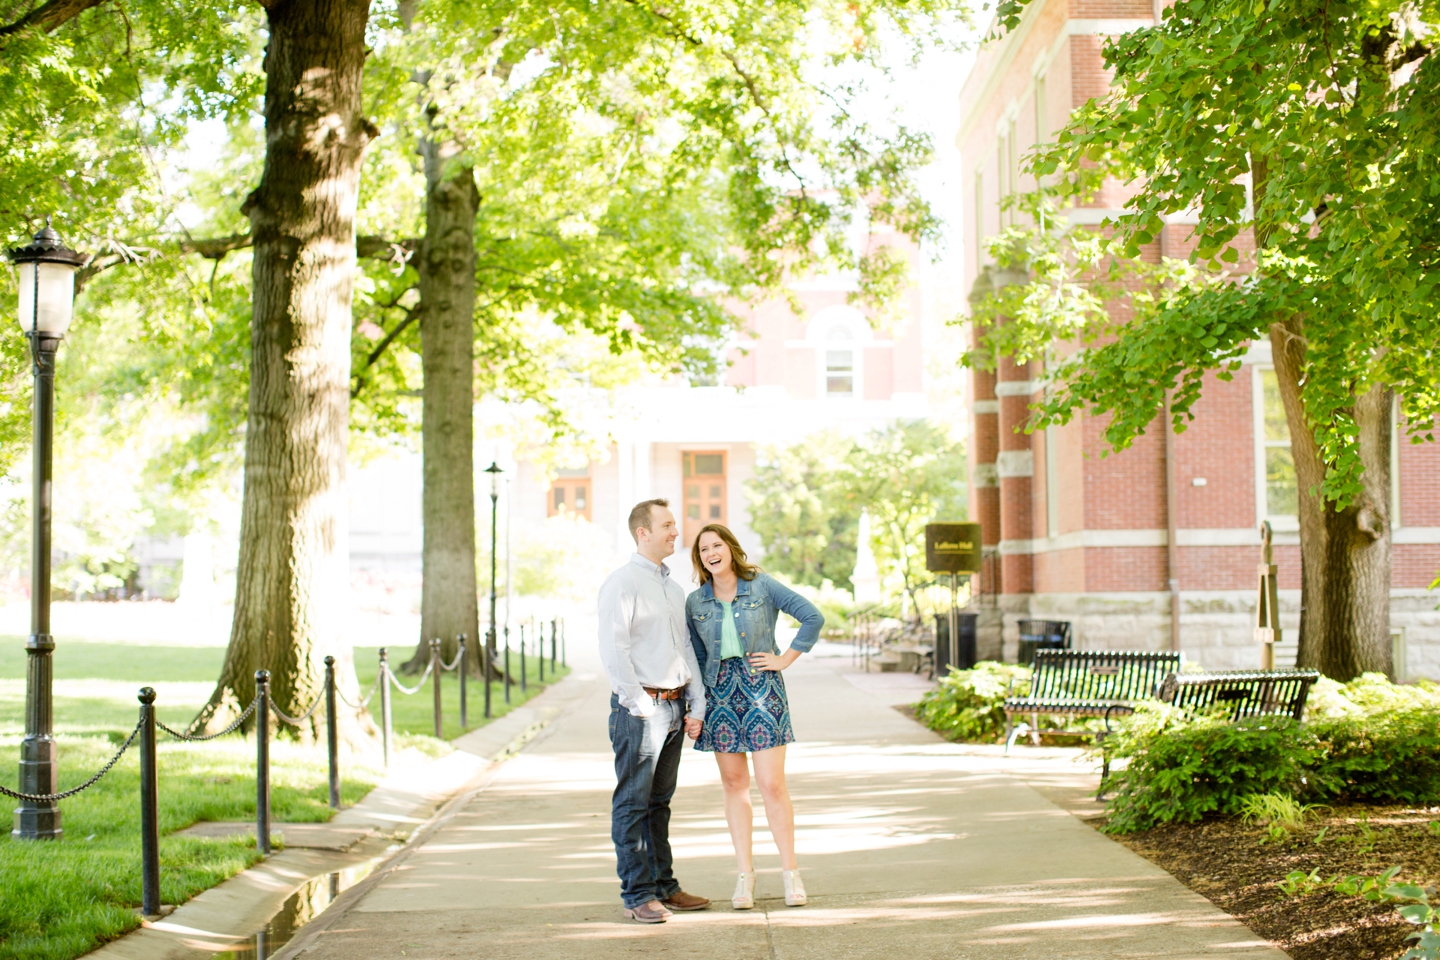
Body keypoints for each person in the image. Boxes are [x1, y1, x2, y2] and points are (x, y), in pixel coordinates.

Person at [685, 523, 823, 910]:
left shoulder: (761, 585)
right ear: (699, 558)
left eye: (717, 544)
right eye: (704, 548)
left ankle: (790, 873)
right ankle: (745, 877)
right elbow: (696, 659)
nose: (712, 552)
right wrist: (696, 707)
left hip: (762, 687)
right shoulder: (695, 602)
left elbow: (811, 617)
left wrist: (785, 659)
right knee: (733, 784)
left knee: (771, 783)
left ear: (730, 548)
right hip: (719, 692)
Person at [596, 498, 711, 923]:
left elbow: (684, 650)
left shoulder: (672, 587)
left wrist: (695, 701)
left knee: (659, 803)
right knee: (633, 803)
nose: (675, 532)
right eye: (666, 525)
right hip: (641, 710)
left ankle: (665, 886)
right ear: (643, 532)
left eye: (674, 525)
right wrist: (639, 704)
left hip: (676, 707)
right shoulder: (622, 583)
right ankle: (638, 894)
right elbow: (614, 649)